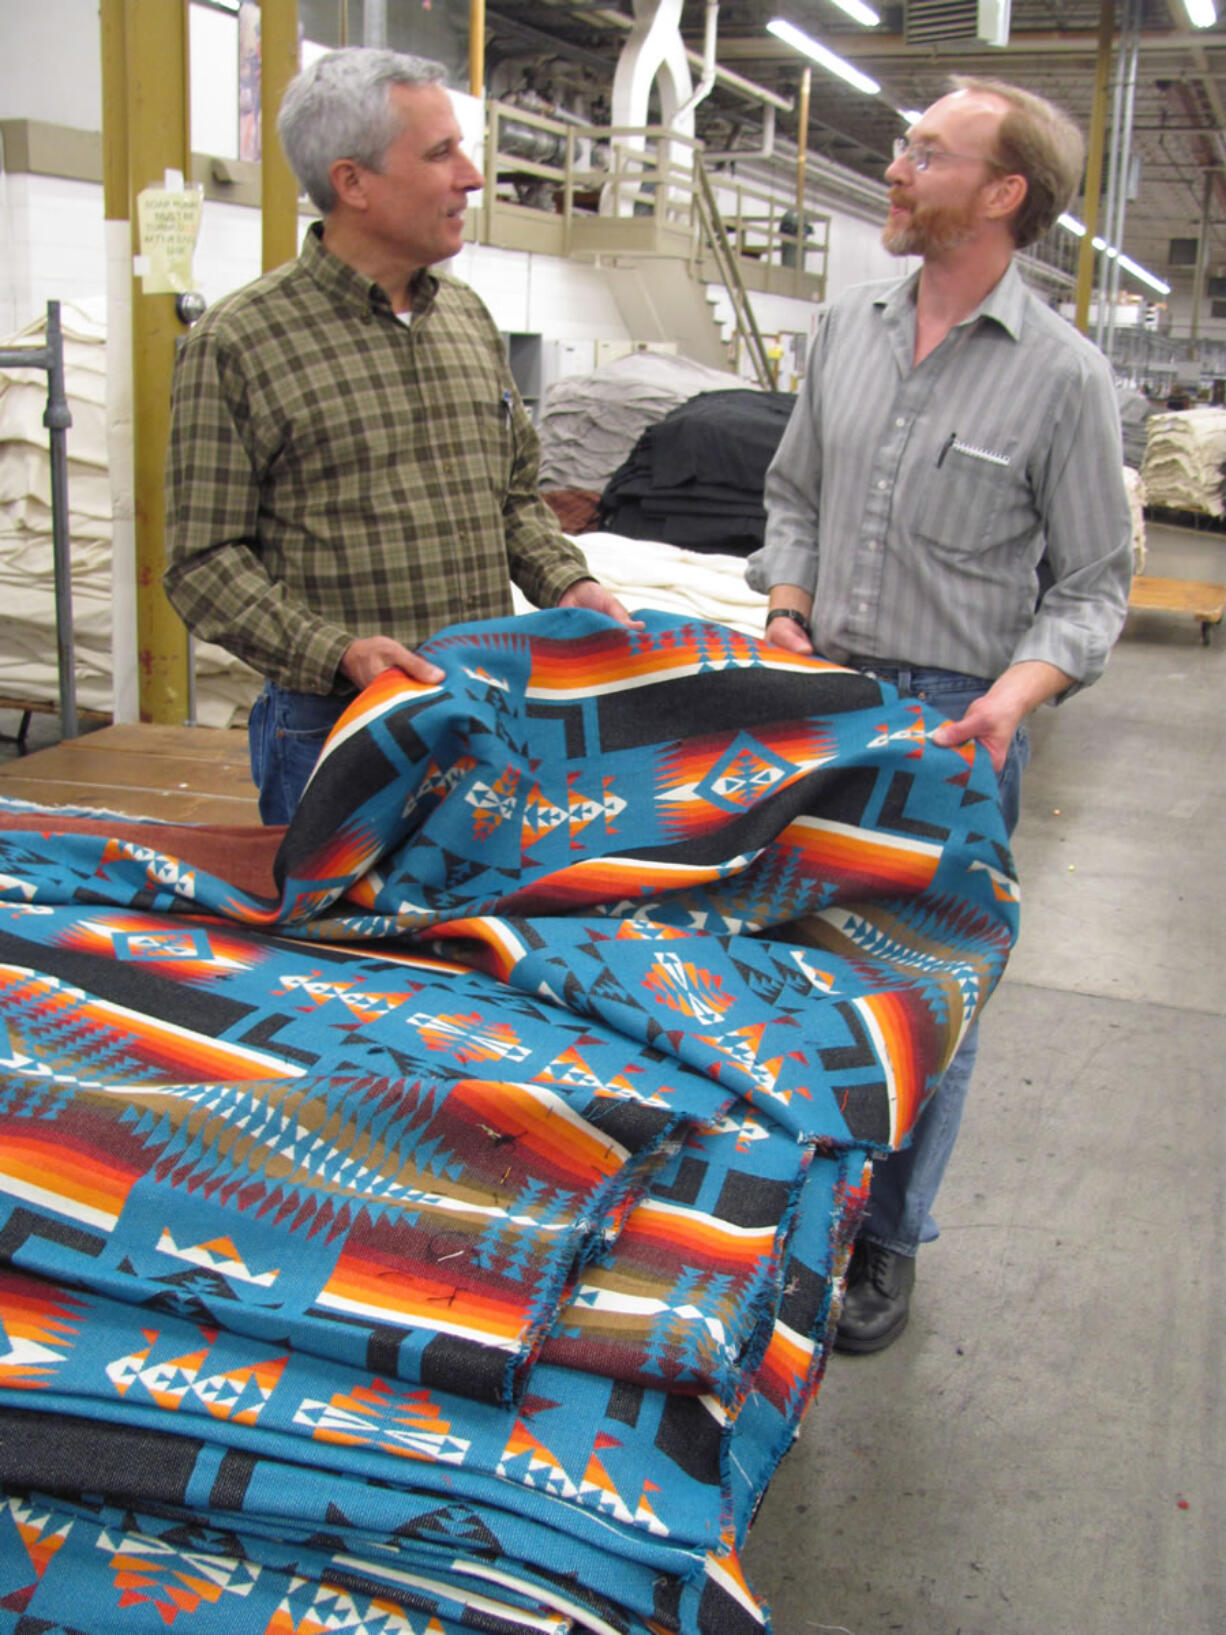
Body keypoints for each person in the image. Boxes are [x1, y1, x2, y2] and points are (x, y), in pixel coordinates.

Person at [746, 76, 1132, 1354]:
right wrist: (788, 600)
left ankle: (886, 1243)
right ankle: (792, 1212)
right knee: (787, 975)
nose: (895, 171)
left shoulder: (1065, 381)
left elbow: (1089, 588)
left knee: (925, 997)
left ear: (1002, 193)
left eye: (923, 152)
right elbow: (792, 491)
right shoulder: (844, 328)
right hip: (820, 700)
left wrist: (1015, 696)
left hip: (952, 722)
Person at [165, 48, 637, 824]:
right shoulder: (239, 342)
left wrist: (567, 583)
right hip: (341, 727)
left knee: (483, 928)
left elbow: (513, 499)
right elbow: (202, 564)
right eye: (440, 152)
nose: (472, 176)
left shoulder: (468, 320)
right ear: (352, 182)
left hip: (490, 714)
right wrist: (339, 653)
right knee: (345, 942)